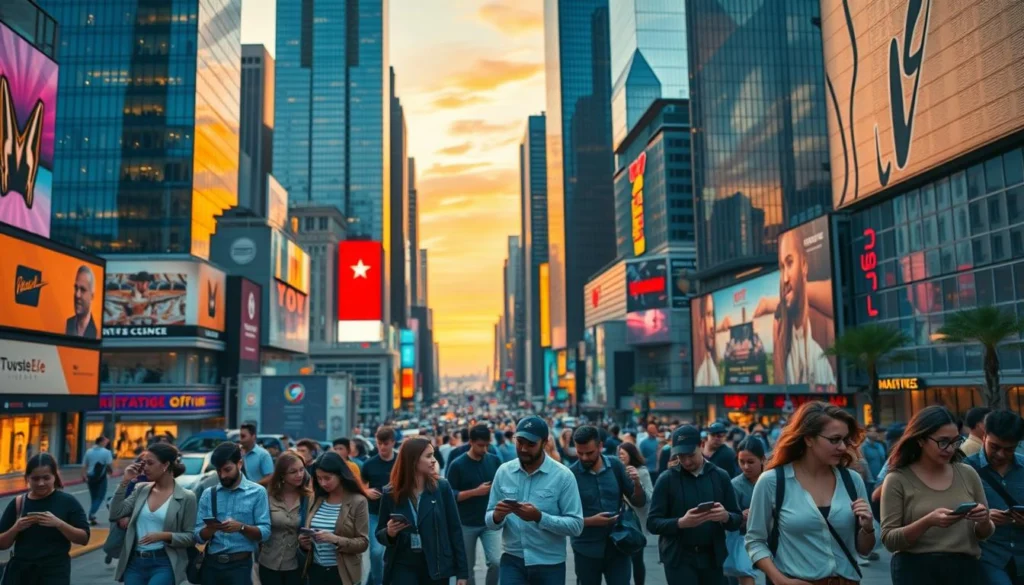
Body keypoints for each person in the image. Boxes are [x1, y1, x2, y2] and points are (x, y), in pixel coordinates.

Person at [745, 401, 875, 585]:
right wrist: (780, 580)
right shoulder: (772, 481)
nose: (842, 447)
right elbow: (754, 540)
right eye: (834, 439)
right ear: (808, 439)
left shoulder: (852, 481)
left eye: (845, 440)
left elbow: (864, 550)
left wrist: (867, 528)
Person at [881, 405, 994, 585]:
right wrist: (927, 522)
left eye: (955, 441)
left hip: (965, 569)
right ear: (920, 440)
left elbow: (984, 533)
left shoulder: (967, 473)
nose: (949, 449)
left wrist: (984, 520)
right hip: (916, 571)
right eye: (943, 442)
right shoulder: (897, 479)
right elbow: (890, 540)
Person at [486, 416, 583, 585]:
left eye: (531, 444)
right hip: (512, 560)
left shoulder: (563, 476)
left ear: (544, 443)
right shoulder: (504, 472)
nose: (523, 449)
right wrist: (497, 516)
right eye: (520, 442)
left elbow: (576, 526)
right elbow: (489, 520)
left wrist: (539, 517)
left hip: (550, 563)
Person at [647, 425, 742, 585]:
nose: (686, 461)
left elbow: (737, 518)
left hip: (713, 558)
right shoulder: (667, 479)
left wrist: (726, 516)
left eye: (690, 455)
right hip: (679, 558)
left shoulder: (720, 476)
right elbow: (652, 523)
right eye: (680, 456)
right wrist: (680, 523)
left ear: (701, 445)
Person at [376, 437, 468, 585]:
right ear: (413, 460)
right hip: (402, 564)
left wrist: (462, 573)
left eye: (433, 455)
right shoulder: (391, 492)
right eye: (428, 456)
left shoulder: (442, 487)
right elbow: (380, 534)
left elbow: (455, 530)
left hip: (436, 564)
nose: (434, 460)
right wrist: (389, 532)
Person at [567, 425, 646, 584]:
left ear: (600, 446)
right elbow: (564, 518)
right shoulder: (570, 475)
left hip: (618, 545)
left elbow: (638, 501)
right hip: (585, 549)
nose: (584, 458)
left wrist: (637, 484)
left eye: (589, 453)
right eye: (579, 453)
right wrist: (590, 521)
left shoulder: (615, 466)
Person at [110, 443, 198, 585]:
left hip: (164, 563)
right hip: (134, 563)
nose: (145, 468)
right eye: (143, 463)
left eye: (150, 463)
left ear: (165, 465)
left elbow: (191, 537)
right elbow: (115, 513)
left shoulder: (187, 497)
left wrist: (164, 536)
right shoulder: (141, 489)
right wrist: (125, 482)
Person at [0, 453, 90, 584]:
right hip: (21, 574)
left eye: (46, 478)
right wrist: (16, 528)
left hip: (54, 574)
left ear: (54, 477)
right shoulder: (19, 503)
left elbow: (84, 538)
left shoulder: (67, 502)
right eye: (35, 479)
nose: (41, 483)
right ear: (27, 478)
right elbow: (2, 544)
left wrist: (59, 524)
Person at [194, 442, 273, 585]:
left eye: (227, 469)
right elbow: (197, 536)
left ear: (239, 464)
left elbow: (265, 532)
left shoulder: (257, 492)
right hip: (211, 565)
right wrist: (210, 529)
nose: (223, 475)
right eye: (219, 471)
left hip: (241, 567)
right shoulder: (208, 494)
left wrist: (241, 527)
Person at [965, 410, 1024, 585]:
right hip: (988, 557)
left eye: (1009, 449)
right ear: (984, 436)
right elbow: (953, 514)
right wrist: (984, 519)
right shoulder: (966, 469)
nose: (1000, 455)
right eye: (995, 447)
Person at [772, 229, 836, 386]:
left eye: (790, 263)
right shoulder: (782, 338)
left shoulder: (824, 339)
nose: (784, 278)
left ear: (804, 265)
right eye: (781, 268)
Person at [299, 451, 370, 585]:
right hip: (316, 570)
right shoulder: (315, 498)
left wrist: (335, 539)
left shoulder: (358, 501)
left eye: (327, 478)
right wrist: (304, 543)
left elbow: (363, 543)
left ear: (340, 475)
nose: (323, 483)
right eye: (319, 478)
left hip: (342, 572)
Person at [446, 424, 503, 585]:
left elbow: (502, 486)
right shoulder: (457, 465)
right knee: (467, 570)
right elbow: (450, 496)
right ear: (470, 442)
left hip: (489, 521)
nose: (484, 449)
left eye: (487, 445)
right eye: (480, 445)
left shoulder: (494, 460)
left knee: (497, 562)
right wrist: (475, 492)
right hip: (465, 523)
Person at [259, 452, 313, 585]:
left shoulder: (308, 498)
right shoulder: (268, 495)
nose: (299, 475)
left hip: (296, 564)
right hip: (269, 562)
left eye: (302, 470)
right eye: (293, 472)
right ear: (282, 475)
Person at [726, 438, 765, 585]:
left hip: (773, 539)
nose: (746, 466)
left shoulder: (772, 480)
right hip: (745, 540)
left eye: (750, 462)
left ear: (762, 459)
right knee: (745, 576)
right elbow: (730, 519)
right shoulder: (735, 485)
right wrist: (740, 516)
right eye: (741, 462)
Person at [362, 425, 397, 585]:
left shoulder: (400, 461)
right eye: (379, 443)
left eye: (386, 443)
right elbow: (361, 486)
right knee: (376, 552)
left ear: (393, 442)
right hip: (375, 513)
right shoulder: (369, 464)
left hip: (397, 513)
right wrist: (366, 491)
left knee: (395, 553)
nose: (382, 447)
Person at [618, 441, 655, 585]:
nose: (620, 457)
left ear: (631, 454)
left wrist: (637, 484)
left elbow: (650, 495)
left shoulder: (642, 472)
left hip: (637, 520)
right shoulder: (619, 471)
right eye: (619, 454)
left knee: (637, 558)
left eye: (623, 454)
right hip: (623, 520)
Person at [83, 435, 114, 525]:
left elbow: (85, 465)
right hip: (101, 477)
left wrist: (83, 475)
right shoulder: (106, 452)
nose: (106, 443)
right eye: (105, 441)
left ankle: (93, 518)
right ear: (101, 442)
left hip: (90, 476)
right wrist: (110, 472)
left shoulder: (89, 451)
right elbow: (108, 465)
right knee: (100, 497)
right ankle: (91, 514)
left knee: (93, 497)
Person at [65, 265, 98, 338]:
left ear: (92, 296)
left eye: (83, 290)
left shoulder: (97, 332)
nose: (77, 295)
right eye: (76, 288)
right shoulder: (68, 324)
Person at [694, 294, 720, 386]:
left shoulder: (714, 369)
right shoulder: (700, 377)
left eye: (713, 316)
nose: (712, 325)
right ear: (701, 325)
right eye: (708, 315)